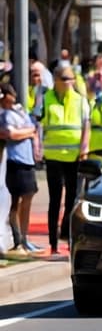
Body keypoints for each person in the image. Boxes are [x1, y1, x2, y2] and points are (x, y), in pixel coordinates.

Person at [40, 63, 91, 255]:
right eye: (65, 79)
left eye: (71, 79)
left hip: (74, 157)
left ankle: (69, 239)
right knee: (54, 200)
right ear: (55, 81)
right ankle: (53, 243)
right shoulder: (46, 99)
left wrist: (84, 149)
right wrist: (39, 147)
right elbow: (39, 124)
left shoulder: (80, 100)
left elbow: (86, 124)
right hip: (53, 156)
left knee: (72, 199)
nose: (69, 82)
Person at [0, 82, 43, 254]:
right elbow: (10, 134)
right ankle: (17, 240)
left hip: (27, 160)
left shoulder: (18, 110)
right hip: (13, 161)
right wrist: (27, 132)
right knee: (14, 203)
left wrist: (26, 131)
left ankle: (25, 238)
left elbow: (33, 127)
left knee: (28, 198)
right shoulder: (4, 114)